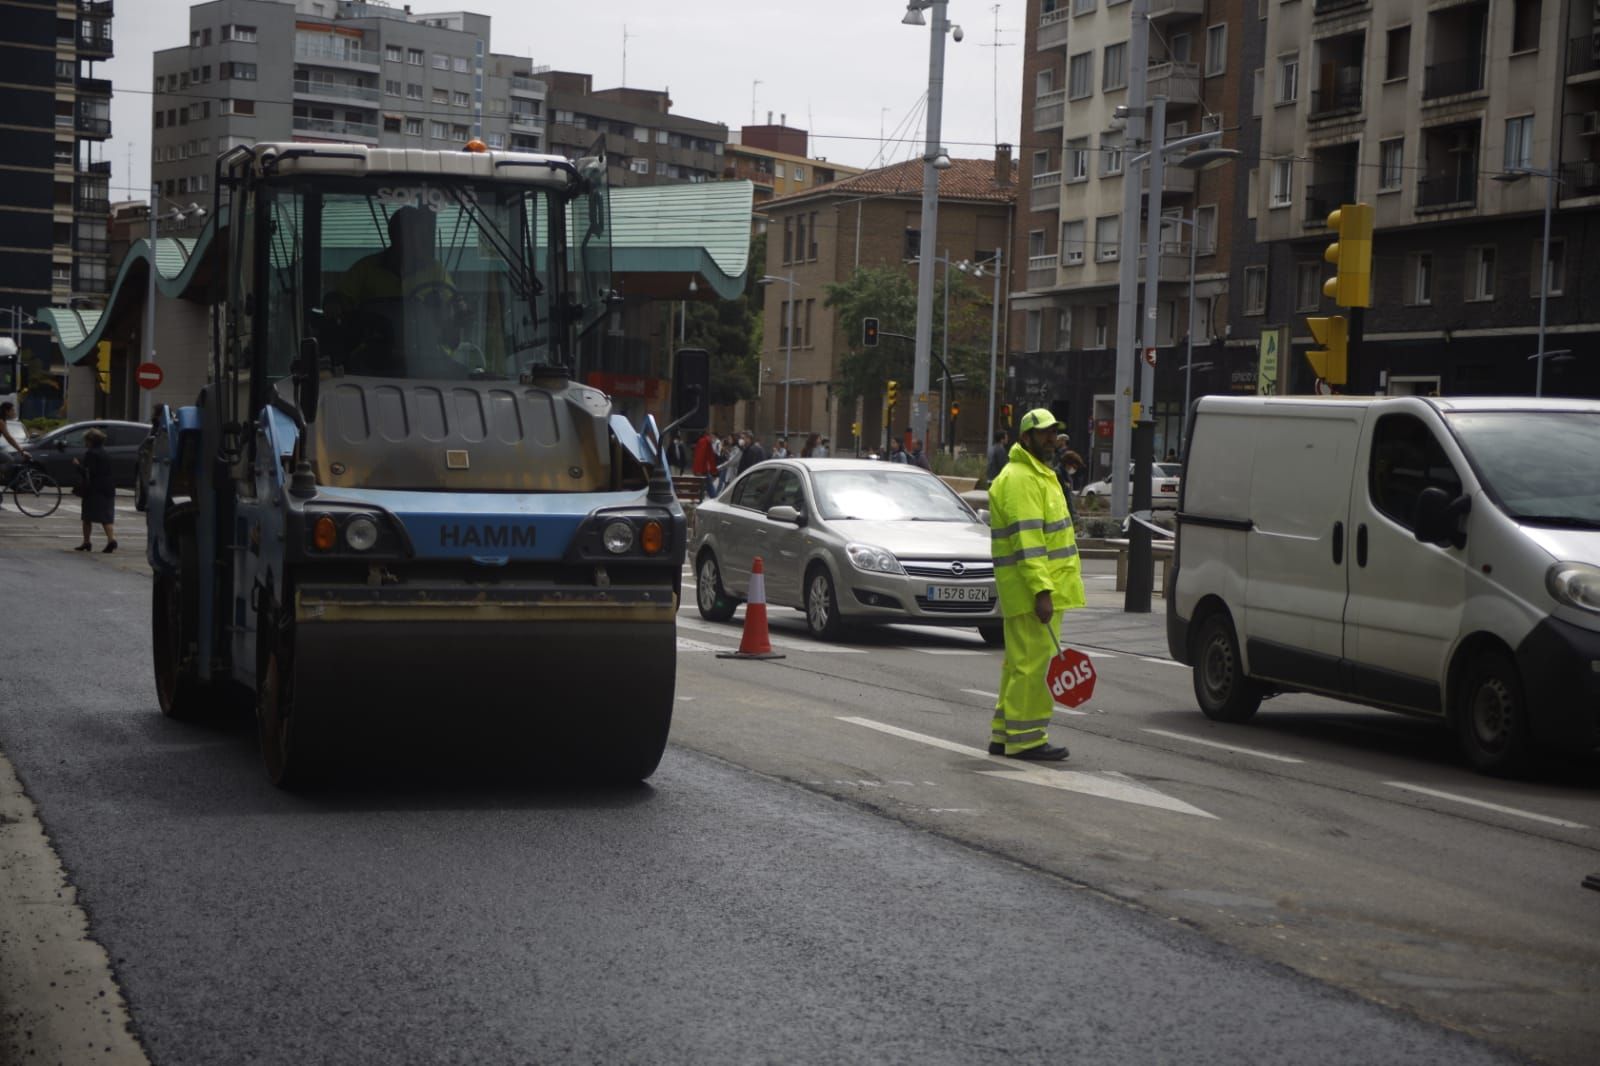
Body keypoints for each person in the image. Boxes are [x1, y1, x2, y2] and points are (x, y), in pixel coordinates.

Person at [986, 408, 1086, 760]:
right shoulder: (1022, 479)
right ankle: (1026, 740)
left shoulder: (1038, 475)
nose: (1050, 438)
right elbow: (1028, 542)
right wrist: (1042, 591)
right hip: (1035, 592)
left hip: (1034, 589)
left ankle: (1004, 734)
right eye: (1042, 433)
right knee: (1033, 667)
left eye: (1052, 432)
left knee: (1019, 664)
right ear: (1024, 438)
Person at [74, 428, 118, 553]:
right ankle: (111, 540)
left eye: (86, 440)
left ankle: (87, 542)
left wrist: (77, 465)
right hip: (108, 487)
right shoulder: (105, 453)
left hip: (94, 488)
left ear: (90, 441)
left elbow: (89, 472)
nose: (85, 443)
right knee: (106, 516)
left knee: (87, 516)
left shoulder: (91, 453)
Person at [693, 430, 719, 498]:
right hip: (702, 469)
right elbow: (705, 457)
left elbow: (700, 456)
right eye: (712, 437)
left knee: (706, 485)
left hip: (700, 469)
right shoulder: (706, 442)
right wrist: (713, 470)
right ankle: (714, 498)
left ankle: (713, 497)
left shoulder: (702, 441)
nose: (713, 439)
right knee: (709, 485)